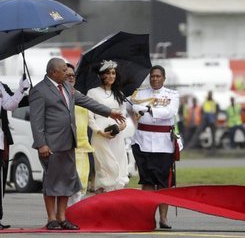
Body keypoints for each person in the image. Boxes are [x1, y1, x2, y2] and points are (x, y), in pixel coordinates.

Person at [29, 58, 125, 230]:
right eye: (64, 70)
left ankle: (62, 218)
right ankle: (52, 219)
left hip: (68, 141)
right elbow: (36, 121)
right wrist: (40, 144)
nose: (68, 73)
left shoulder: (67, 87)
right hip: (50, 145)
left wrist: (110, 112)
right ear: (53, 72)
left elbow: (87, 102)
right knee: (52, 181)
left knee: (67, 180)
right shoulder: (39, 90)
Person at [129, 65, 179, 229]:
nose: (154, 79)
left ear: (164, 78)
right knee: (147, 182)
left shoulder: (172, 95)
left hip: (163, 144)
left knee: (163, 184)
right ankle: (147, 217)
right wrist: (132, 106)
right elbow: (127, 107)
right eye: (152, 76)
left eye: (158, 76)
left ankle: (163, 218)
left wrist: (149, 109)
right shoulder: (140, 94)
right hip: (142, 142)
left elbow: (169, 112)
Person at [86, 60, 129, 194]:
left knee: (118, 166)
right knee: (104, 169)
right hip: (100, 136)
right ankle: (101, 202)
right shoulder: (92, 92)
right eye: (108, 73)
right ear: (101, 75)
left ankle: (115, 203)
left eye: (113, 73)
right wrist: (99, 132)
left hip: (117, 136)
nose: (111, 76)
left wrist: (122, 125)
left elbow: (123, 114)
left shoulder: (120, 94)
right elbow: (89, 116)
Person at [0, 77, 29, 229]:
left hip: (1, 140)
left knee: (1, 178)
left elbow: (12, 104)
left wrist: (23, 90)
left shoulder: (1, 86)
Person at [65, 63, 94, 206]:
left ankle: (74, 215)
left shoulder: (81, 96)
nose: (71, 78)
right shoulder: (58, 98)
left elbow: (92, 120)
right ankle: (63, 217)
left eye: (73, 75)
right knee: (66, 186)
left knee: (81, 184)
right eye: (67, 75)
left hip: (82, 147)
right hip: (65, 148)